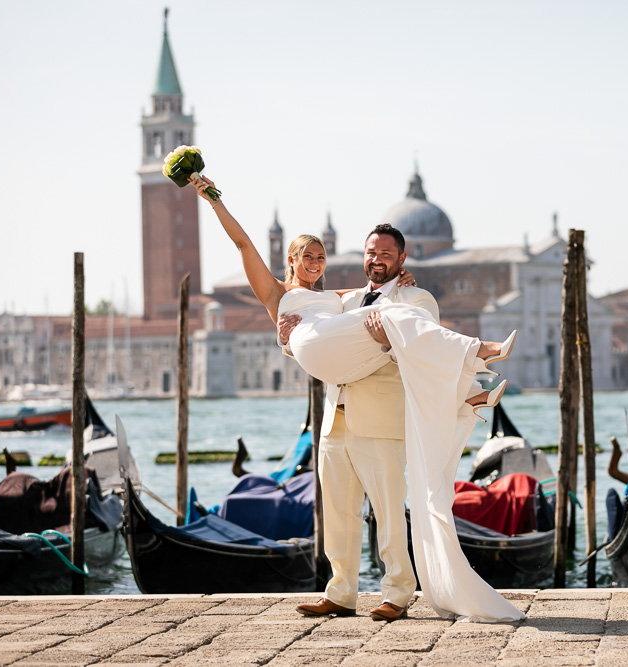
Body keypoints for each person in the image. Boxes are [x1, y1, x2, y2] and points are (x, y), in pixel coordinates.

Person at [191, 176, 524, 623]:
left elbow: (419, 349)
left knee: (388, 513)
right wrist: (287, 340)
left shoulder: (414, 296)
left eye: (386, 254)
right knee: (339, 513)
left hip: (381, 417)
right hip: (335, 417)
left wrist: (387, 332)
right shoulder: (343, 302)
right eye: (371, 253)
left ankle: (398, 592)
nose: (376, 259)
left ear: (402, 259)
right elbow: (250, 252)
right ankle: (341, 591)